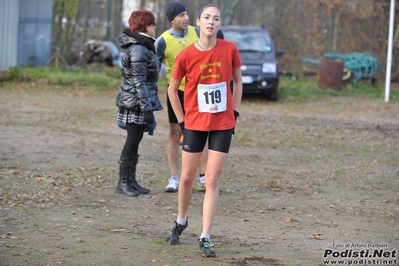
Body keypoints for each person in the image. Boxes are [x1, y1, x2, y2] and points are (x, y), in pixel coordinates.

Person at [165, 3, 243, 257]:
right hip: (195, 123)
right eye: (207, 17)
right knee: (186, 178)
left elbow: (238, 81)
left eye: (216, 18)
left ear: (220, 24)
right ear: (197, 22)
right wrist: (182, 120)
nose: (211, 22)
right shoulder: (186, 55)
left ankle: (205, 237)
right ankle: (181, 220)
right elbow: (171, 89)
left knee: (211, 180)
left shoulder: (229, 49)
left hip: (222, 123)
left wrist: (236, 111)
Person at [155, 2, 208, 193]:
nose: (186, 18)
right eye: (181, 15)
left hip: (199, 92)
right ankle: (173, 178)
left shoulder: (198, 31)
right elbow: (153, 70)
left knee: (203, 133)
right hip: (176, 93)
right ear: (172, 19)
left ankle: (203, 177)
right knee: (175, 134)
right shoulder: (162, 41)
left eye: (186, 14)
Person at [115, 9, 163, 197]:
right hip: (134, 103)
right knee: (132, 140)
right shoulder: (138, 48)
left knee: (136, 140)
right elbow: (138, 80)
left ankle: (131, 180)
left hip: (137, 101)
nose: (155, 27)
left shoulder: (143, 46)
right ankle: (123, 182)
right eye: (152, 24)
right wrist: (147, 108)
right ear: (145, 26)